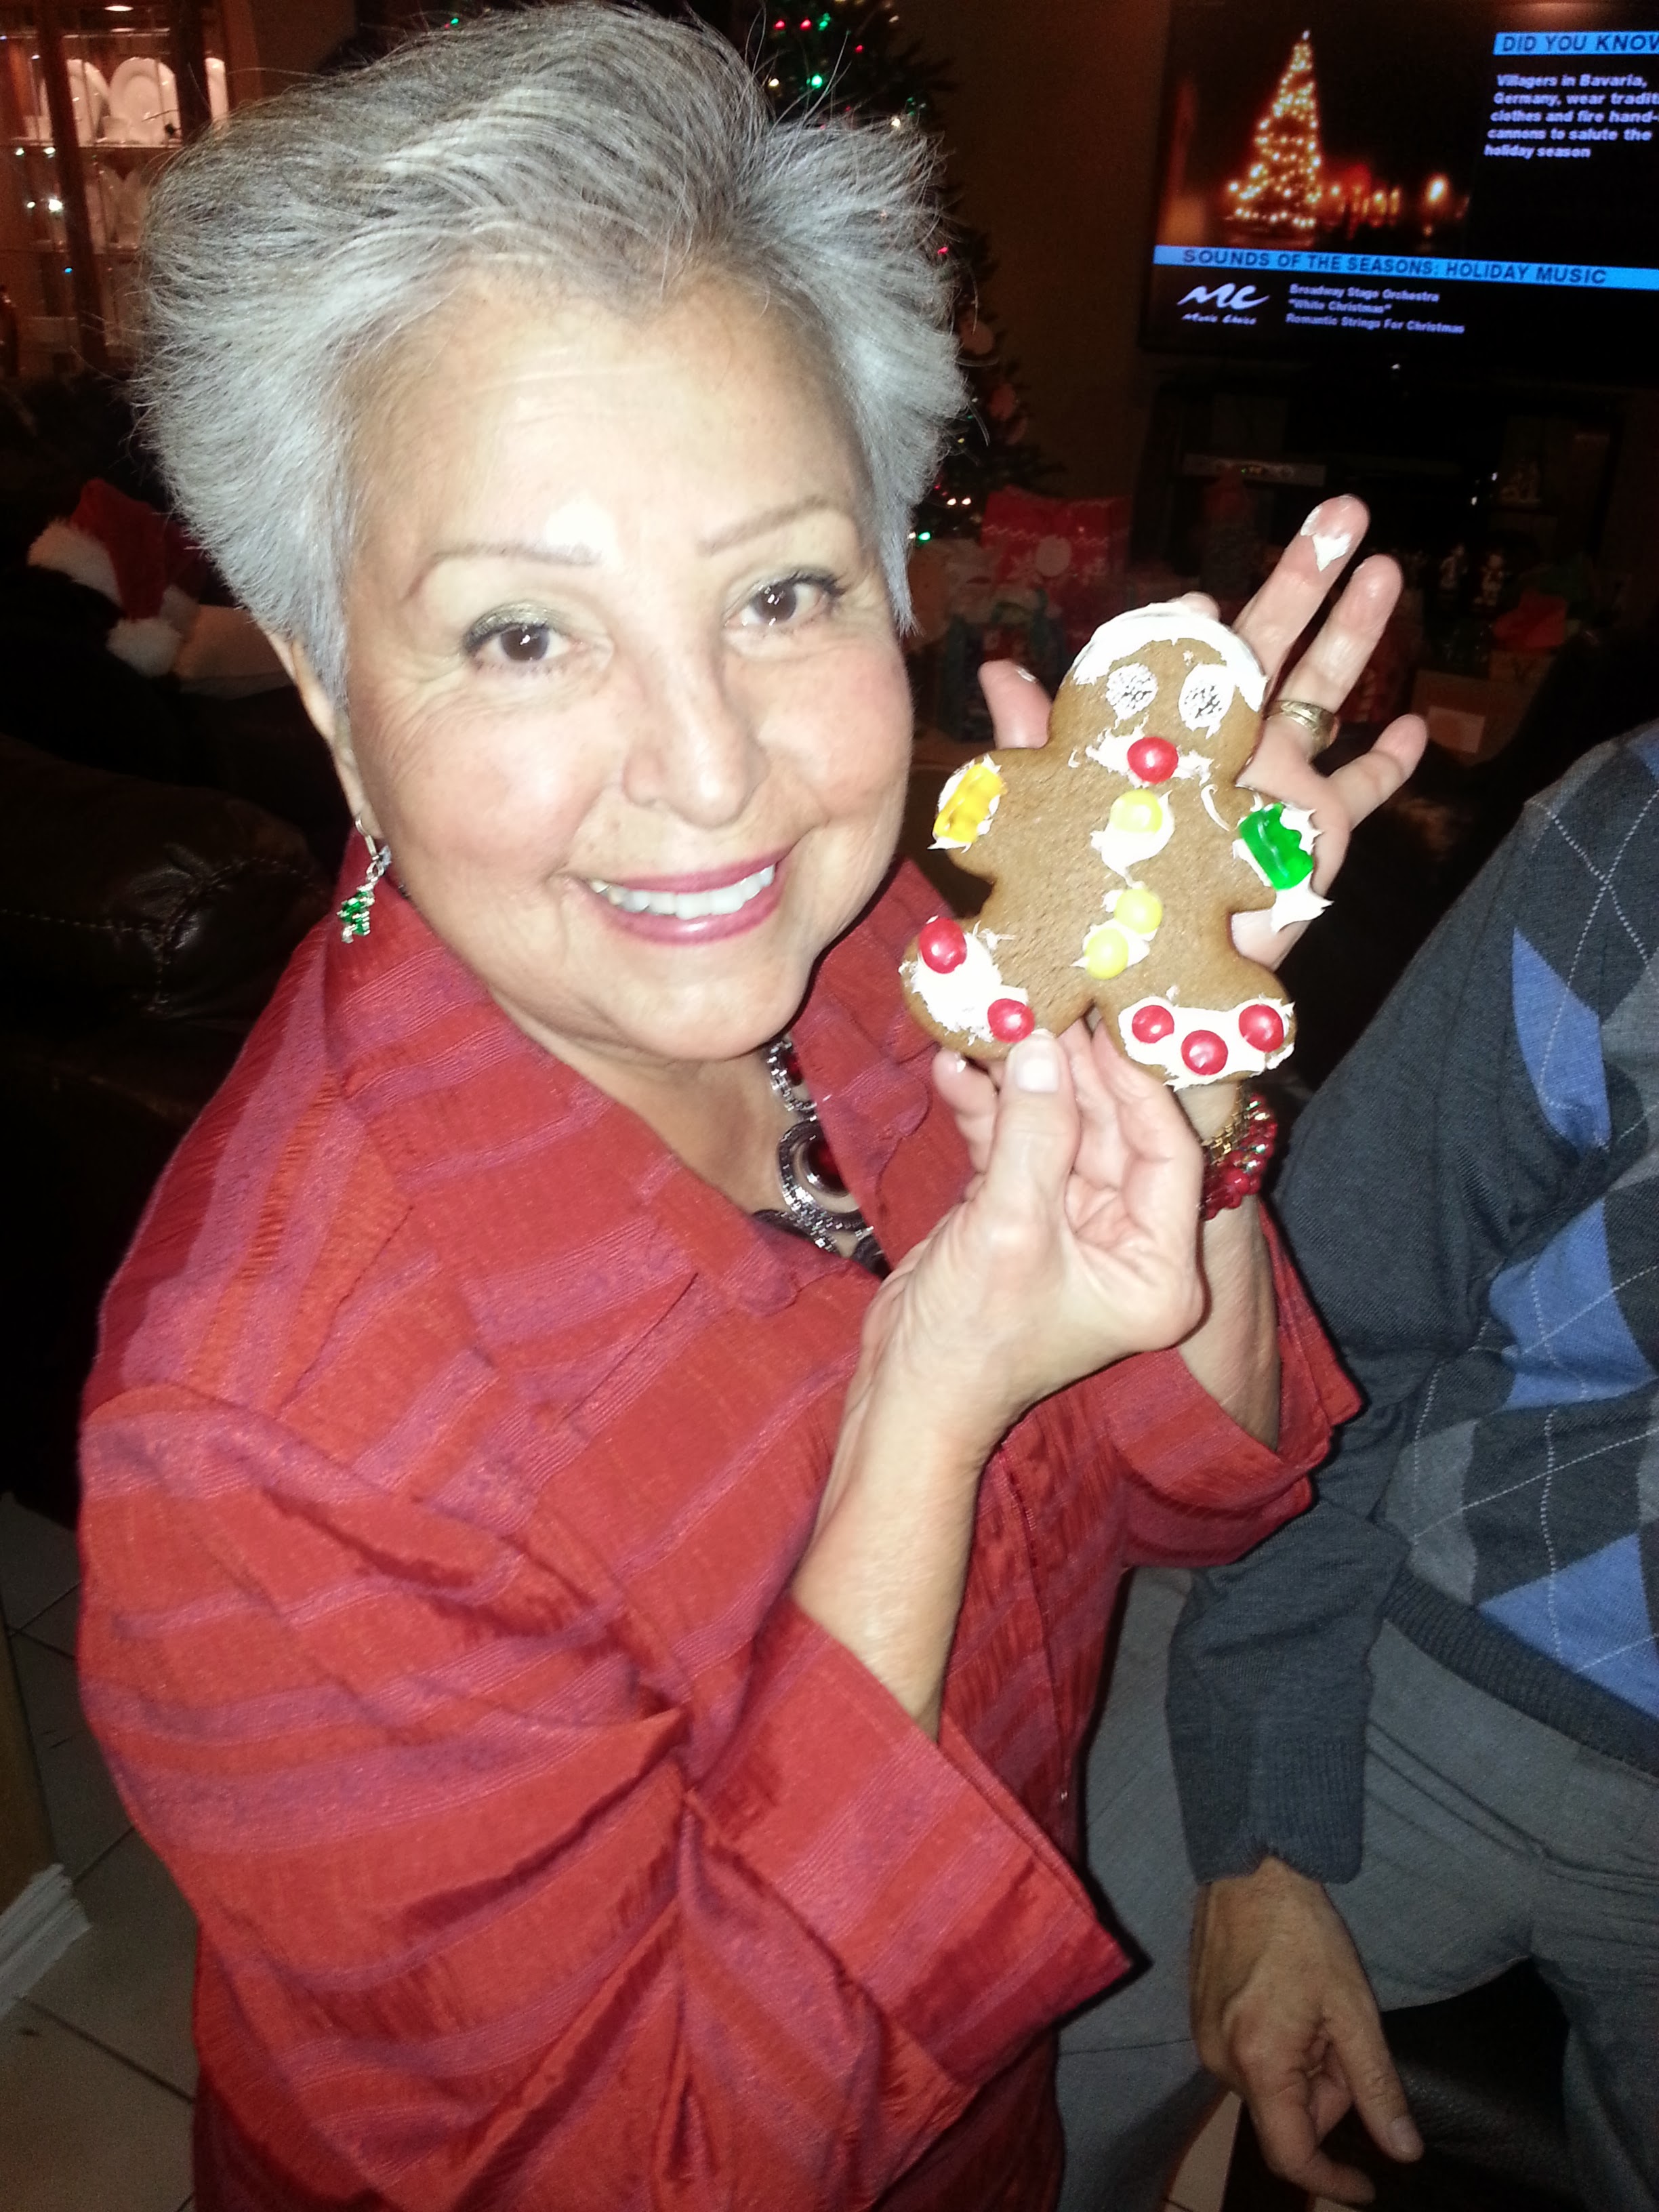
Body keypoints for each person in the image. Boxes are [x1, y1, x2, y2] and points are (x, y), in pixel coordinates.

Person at [75, 11, 1420, 2208]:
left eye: (777, 590)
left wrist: (1161, 1085)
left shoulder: (875, 935)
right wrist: (916, 1416)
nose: (710, 775)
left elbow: (1187, 1490)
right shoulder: (265, 1446)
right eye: (522, 635)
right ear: (329, 694)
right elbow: (654, 2163)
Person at [1057, 728, 1659, 2212]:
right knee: (986, 2062)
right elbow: (1348, 1310)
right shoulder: (1634, 837)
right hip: (1423, 1646)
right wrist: (1258, 1830)